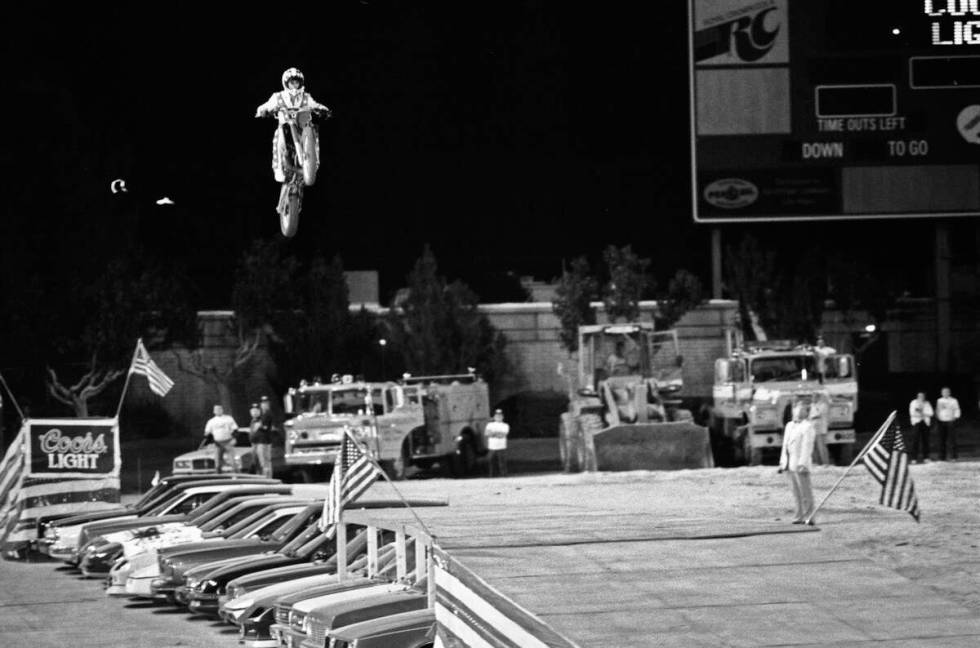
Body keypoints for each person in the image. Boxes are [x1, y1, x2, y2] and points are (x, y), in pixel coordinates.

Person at [255, 67, 331, 184]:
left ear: (300, 83)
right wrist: (263, 111)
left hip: (302, 126)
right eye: (292, 83)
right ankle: (278, 167)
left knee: (313, 132)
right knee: (278, 135)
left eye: (297, 82)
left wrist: (323, 110)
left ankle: (313, 163)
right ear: (286, 83)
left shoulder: (306, 97)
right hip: (286, 126)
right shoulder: (278, 97)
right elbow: (264, 106)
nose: (295, 86)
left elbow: (316, 105)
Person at [779, 400, 816, 525]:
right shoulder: (789, 425)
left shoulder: (808, 426)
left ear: (806, 412)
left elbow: (807, 446)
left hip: (799, 464)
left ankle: (809, 516)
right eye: (796, 408)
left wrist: (803, 463)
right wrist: (782, 461)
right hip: (789, 463)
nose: (798, 411)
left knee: (805, 492)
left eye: (802, 409)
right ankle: (798, 515)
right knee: (795, 493)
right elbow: (785, 445)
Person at [204, 404, 238, 474]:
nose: (218, 411)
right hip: (217, 443)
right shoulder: (211, 421)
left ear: (222, 410)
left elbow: (235, 430)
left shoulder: (228, 418)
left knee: (232, 462)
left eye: (220, 409)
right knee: (218, 463)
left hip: (228, 442)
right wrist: (210, 442)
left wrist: (234, 438)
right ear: (214, 411)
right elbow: (207, 434)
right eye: (216, 409)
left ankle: (236, 476)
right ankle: (218, 477)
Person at [935, 387, 961, 461]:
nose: (945, 393)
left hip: (950, 421)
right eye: (944, 392)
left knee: (952, 440)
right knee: (941, 440)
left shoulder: (954, 400)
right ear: (941, 393)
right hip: (941, 421)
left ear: (949, 393)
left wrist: (955, 417)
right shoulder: (939, 400)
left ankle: (953, 457)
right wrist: (938, 418)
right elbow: (937, 410)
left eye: (947, 392)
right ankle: (942, 457)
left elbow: (957, 409)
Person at [248, 402, 272, 477]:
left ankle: (268, 479)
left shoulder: (263, 419)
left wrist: (260, 426)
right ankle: (260, 478)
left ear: (260, 411)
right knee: (256, 462)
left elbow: (265, 427)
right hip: (254, 443)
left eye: (256, 411)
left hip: (262, 443)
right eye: (253, 411)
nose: (254, 413)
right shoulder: (252, 421)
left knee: (264, 462)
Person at [908, 392, 934, 464]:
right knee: (915, 441)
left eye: (923, 396)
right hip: (916, 423)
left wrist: (922, 413)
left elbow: (931, 413)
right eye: (920, 396)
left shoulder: (927, 403)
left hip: (925, 423)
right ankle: (914, 458)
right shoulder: (913, 403)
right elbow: (912, 413)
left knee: (925, 441)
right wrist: (924, 414)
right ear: (917, 396)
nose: (921, 397)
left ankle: (926, 457)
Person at [484, 408, 510, 477]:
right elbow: (486, 433)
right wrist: (497, 433)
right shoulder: (490, 424)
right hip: (492, 447)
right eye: (497, 416)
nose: (498, 417)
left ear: (502, 417)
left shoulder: (505, 425)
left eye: (500, 415)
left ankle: (504, 476)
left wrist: (493, 433)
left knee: (502, 463)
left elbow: (502, 435)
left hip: (501, 447)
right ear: (494, 417)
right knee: (491, 462)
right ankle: (492, 476)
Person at [808, 393, 831, 465]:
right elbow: (809, 416)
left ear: (817, 398)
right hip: (813, 429)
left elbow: (818, 415)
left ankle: (826, 462)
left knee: (822, 447)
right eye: (812, 397)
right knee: (814, 447)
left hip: (821, 429)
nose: (812, 399)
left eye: (813, 397)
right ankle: (817, 462)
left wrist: (811, 417)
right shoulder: (812, 406)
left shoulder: (823, 405)